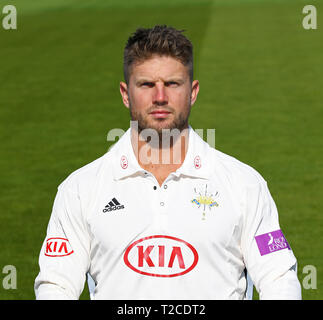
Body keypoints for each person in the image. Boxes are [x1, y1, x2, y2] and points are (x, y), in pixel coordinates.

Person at [34, 25, 301, 300]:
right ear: (126, 94)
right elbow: (56, 285)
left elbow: (278, 277)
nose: (160, 97)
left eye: (172, 84)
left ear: (192, 91)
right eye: (147, 84)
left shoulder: (245, 185)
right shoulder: (80, 189)